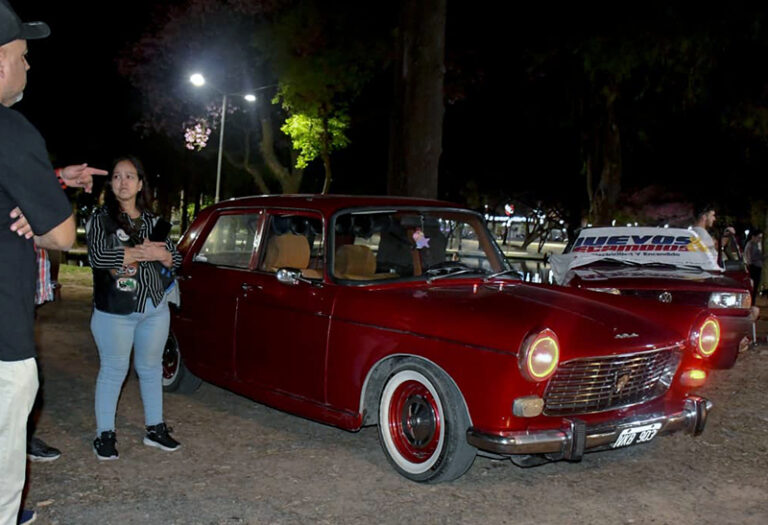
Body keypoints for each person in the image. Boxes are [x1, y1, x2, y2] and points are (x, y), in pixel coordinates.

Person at [0, 2, 77, 523]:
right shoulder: (10, 129)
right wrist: (43, 211)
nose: (28, 65)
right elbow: (62, 234)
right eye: (23, 55)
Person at [86, 155, 182, 461]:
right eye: (117, 176)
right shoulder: (101, 219)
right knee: (114, 370)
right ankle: (105, 434)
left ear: (140, 184)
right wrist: (139, 252)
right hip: (116, 309)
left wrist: (164, 256)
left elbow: (176, 259)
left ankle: (155, 428)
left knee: (151, 368)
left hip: (154, 307)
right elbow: (98, 257)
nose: (123, 182)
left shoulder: (156, 222)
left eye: (129, 176)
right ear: (111, 184)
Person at [744, 230, 763, 302]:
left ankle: (752, 301)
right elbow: (753, 257)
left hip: (755, 267)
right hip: (754, 268)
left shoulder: (753, 244)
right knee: (753, 286)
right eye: (759, 237)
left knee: (754, 286)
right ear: (753, 237)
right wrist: (763, 257)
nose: (760, 239)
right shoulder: (751, 245)